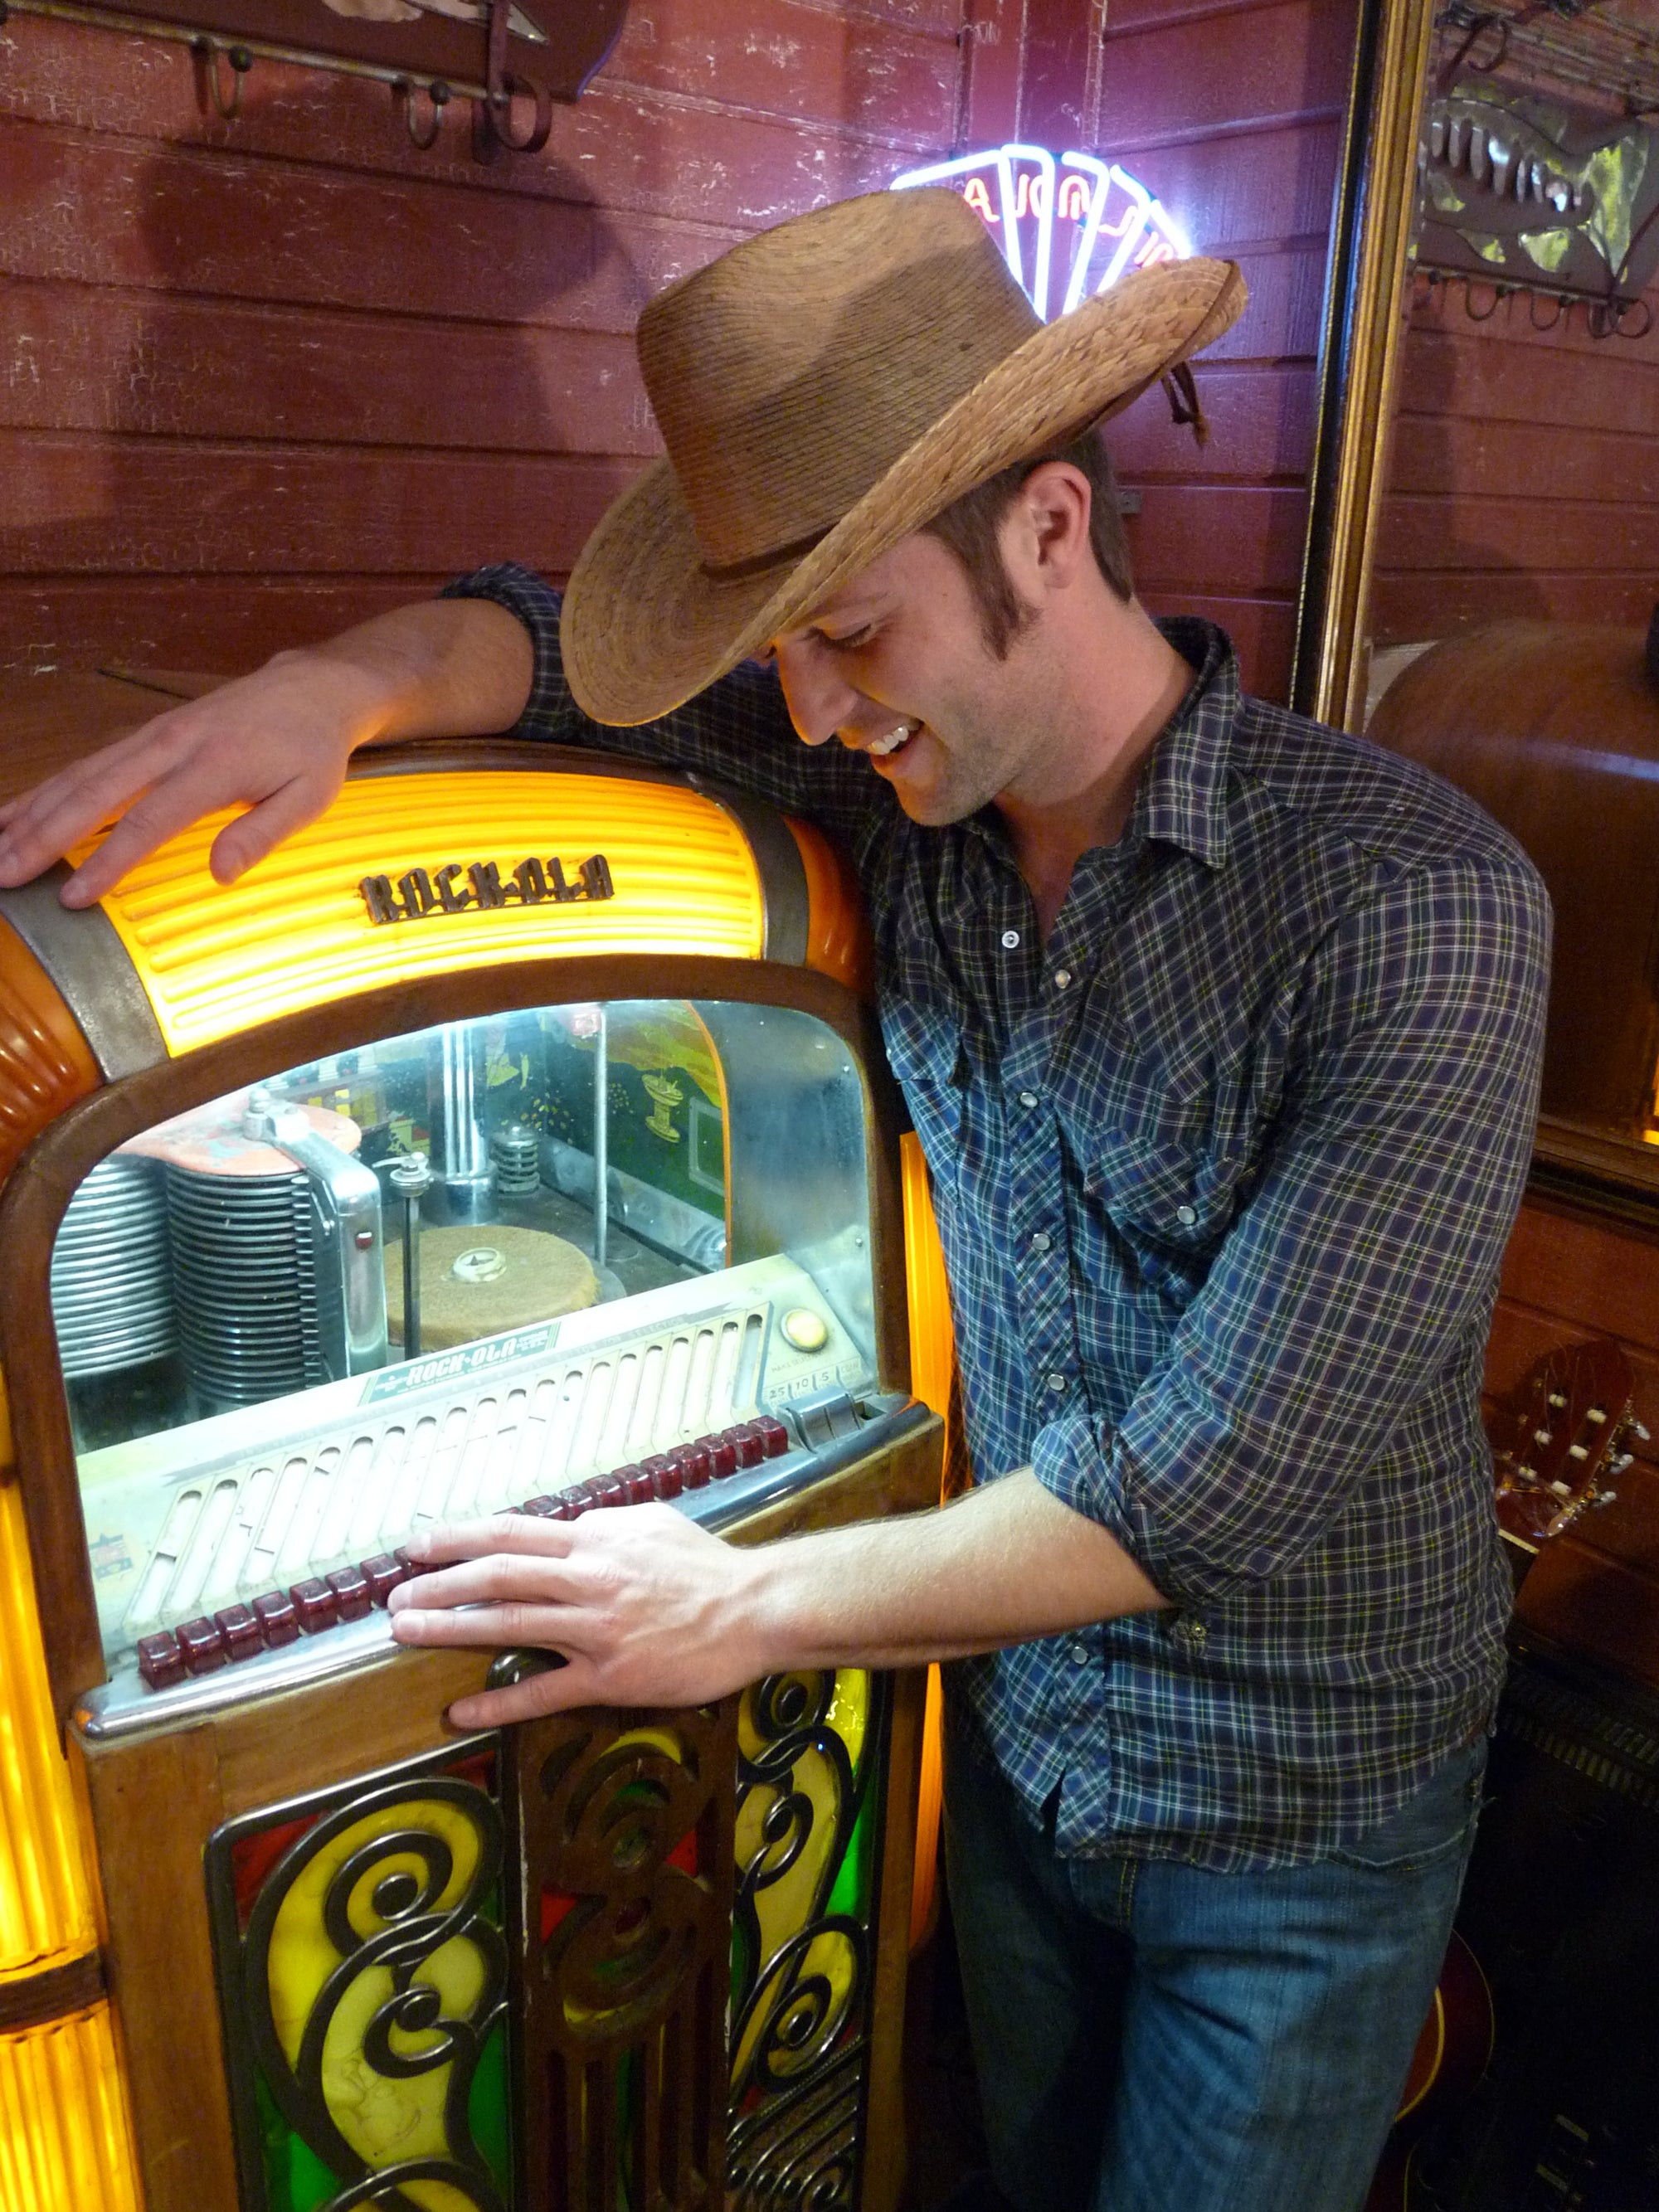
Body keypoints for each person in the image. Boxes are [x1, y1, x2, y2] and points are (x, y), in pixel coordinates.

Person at [0, 190, 1549, 2212]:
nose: (812, 708)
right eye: (782, 647)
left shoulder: (1416, 905)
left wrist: (726, 1600)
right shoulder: (911, 790)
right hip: (1008, 1743)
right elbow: (542, 650)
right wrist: (327, 685)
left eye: (849, 625)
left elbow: (1209, 1485)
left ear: (1050, 532)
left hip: (1299, 1808)